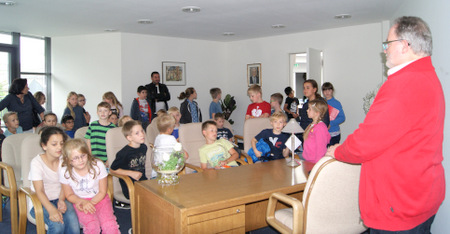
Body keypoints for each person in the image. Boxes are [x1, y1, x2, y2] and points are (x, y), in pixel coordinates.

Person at [326, 16, 445, 233]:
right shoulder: (427, 76)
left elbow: (364, 143)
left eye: (387, 44)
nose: (384, 50)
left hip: (399, 205)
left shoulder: (404, 84)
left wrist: (337, 151)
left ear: (404, 45)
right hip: (422, 196)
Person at [60, 139, 120, 234]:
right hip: (80, 202)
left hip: (100, 199)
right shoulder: (65, 172)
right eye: (75, 158)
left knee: (110, 226)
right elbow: (69, 195)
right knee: (92, 226)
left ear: (87, 154)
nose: (80, 160)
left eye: (83, 156)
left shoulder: (98, 165)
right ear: (68, 160)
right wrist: (83, 202)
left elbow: (102, 191)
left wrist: (91, 203)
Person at [29, 127, 80, 234]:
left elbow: (65, 184)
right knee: (58, 226)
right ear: (44, 146)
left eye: (62, 143)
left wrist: (61, 199)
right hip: (40, 202)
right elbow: (39, 191)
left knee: (74, 226)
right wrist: (51, 209)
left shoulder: (64, 160)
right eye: (54, 144)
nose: (59, 147)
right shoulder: (36, 163)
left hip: (60, 198)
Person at [110, 120, 147, 209]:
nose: (142, 134)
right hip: (129, 186)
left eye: (142, 131)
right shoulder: (123, 153)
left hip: (143, 182)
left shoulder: (143, 147)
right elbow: (112, 170)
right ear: (129, 138)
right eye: (137, 133)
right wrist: (131, 173)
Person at [302, 99, 330, 163]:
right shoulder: (311, 125)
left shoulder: (320, 128)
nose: (307, 110)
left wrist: (317, 164)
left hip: (315, 161)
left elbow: (321, 149)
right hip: (308, 160)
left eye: (309, 109)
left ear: (317, 113)